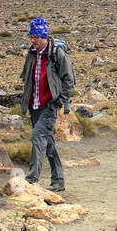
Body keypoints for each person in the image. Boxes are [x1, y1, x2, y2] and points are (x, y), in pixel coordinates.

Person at [20, 17, 74, 194]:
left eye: (35, 37)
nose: (33, 40)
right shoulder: (32, 53)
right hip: (34, 105)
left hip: (49, 105)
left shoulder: (56, 53)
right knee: (48, 142)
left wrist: (60, 100)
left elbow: (68, 79)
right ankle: (58, 180)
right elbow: (27, 77)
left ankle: (32, 179)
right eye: (31, 37)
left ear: (44, 36)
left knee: (38, 137)